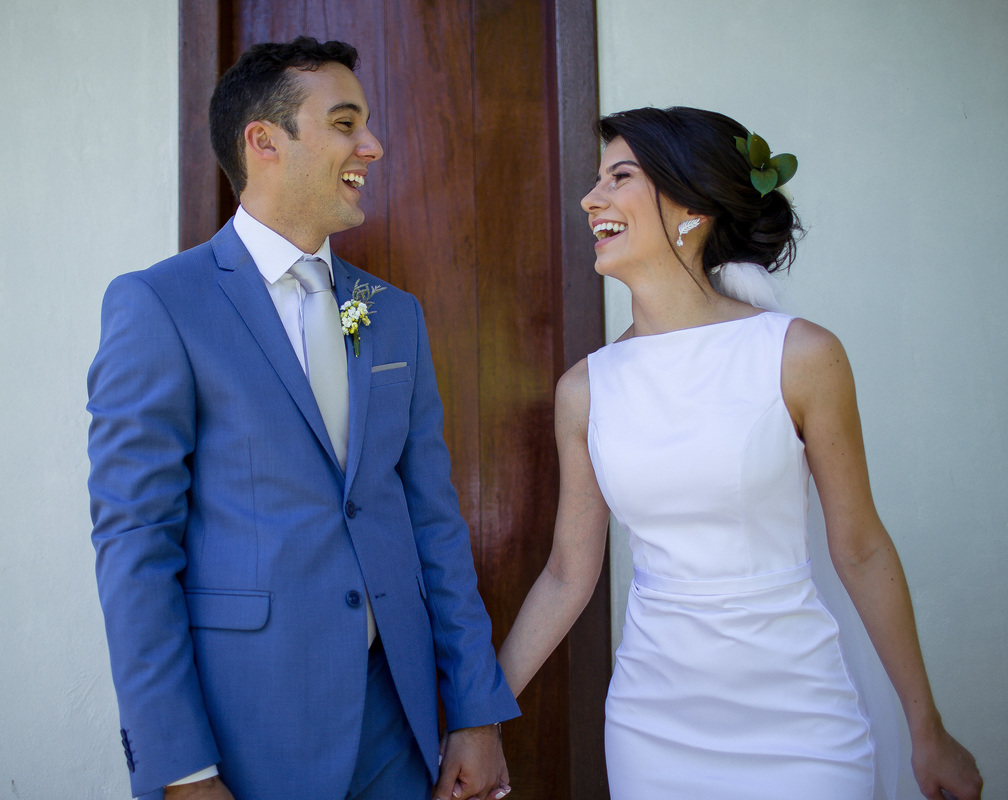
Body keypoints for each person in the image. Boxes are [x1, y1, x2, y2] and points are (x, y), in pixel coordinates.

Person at [496, 106, 983, 800]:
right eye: (596, 180)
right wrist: (480, 718)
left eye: (620, 177)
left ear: (691, 207)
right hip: (654, 724)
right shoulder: (586, 390)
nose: (590, 198)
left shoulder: (800, 355)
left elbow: (861, 548)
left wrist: (926, 729)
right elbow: (568, 575)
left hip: (802, 717)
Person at [87, 37, 518, 800]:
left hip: (399, 720)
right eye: (346, 123)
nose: (373, 146)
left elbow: (433, 523)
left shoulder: (396, 316)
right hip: (249, 726)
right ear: (264, 142)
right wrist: (182, 769)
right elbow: (136, 546)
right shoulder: (159, 305)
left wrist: (476, 714)